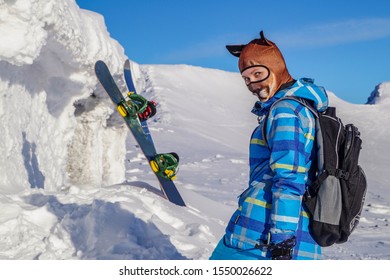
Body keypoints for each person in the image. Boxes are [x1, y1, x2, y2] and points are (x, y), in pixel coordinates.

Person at [209, 31, 329, 260]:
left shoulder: (285, 111)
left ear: (275, 67)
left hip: (258, 236)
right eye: (246, 78)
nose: (253, 84)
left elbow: (289, 177)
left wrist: (282, 239)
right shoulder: (305, 108)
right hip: (297, 237)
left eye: (258, 73)